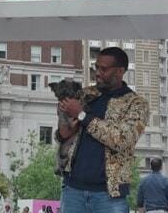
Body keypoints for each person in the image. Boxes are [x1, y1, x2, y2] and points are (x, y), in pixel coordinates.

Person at [56, 47, 149, 213]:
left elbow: (122, 140)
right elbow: (64, 135)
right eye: (96, 67)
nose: (97, 73)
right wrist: (64, 112)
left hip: (109, 195)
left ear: (120, 71)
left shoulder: (136, 104)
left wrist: (82, 115)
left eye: (104, 69)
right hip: (73, 190)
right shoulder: (85, 95)